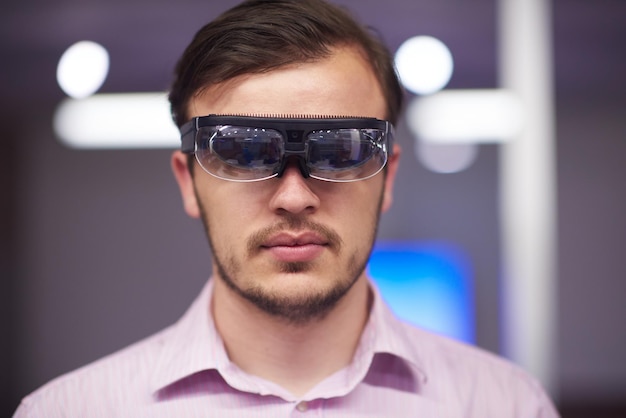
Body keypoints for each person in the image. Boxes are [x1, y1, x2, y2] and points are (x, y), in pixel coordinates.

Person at [14, 0, 560, 416]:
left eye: (341, 151)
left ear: (387, 176)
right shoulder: (72, 410)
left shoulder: (502, 404)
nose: (295, 196)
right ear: (188, 182)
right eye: (243, 152)